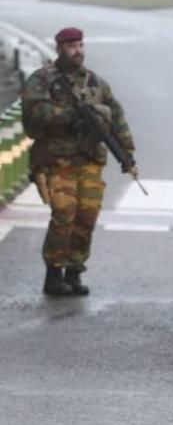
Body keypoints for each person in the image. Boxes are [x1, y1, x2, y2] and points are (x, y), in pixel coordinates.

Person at [21, 27, 136, 297]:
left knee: (87, 216)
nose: (78, 51)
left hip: (89, 160)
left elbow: (117, 118)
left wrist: (127, 154)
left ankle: (74, 271)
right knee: (64, 213)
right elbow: (33, 113)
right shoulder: (43, 79)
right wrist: (69, 116)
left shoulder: (95, 83)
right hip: (57, 159)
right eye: (71, 46)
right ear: (60, 48)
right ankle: (54, 273)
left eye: (81, 45)